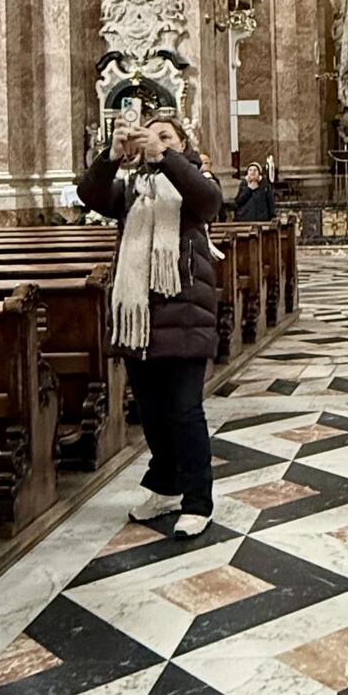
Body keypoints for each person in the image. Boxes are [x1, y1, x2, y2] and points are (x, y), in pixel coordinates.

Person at [77, 111, 224, 537]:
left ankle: (197, 501)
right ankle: (165, 488)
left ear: (183, 145)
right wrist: (111, 156)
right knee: (153, 413)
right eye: (151, 136)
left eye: (167, 136)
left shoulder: (195, 181)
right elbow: (90, 194)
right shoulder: (131, 190)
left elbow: (209, 203)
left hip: (186, 314)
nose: (156, 141)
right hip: (139, 317)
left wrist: (165, 157)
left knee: (185, 411)